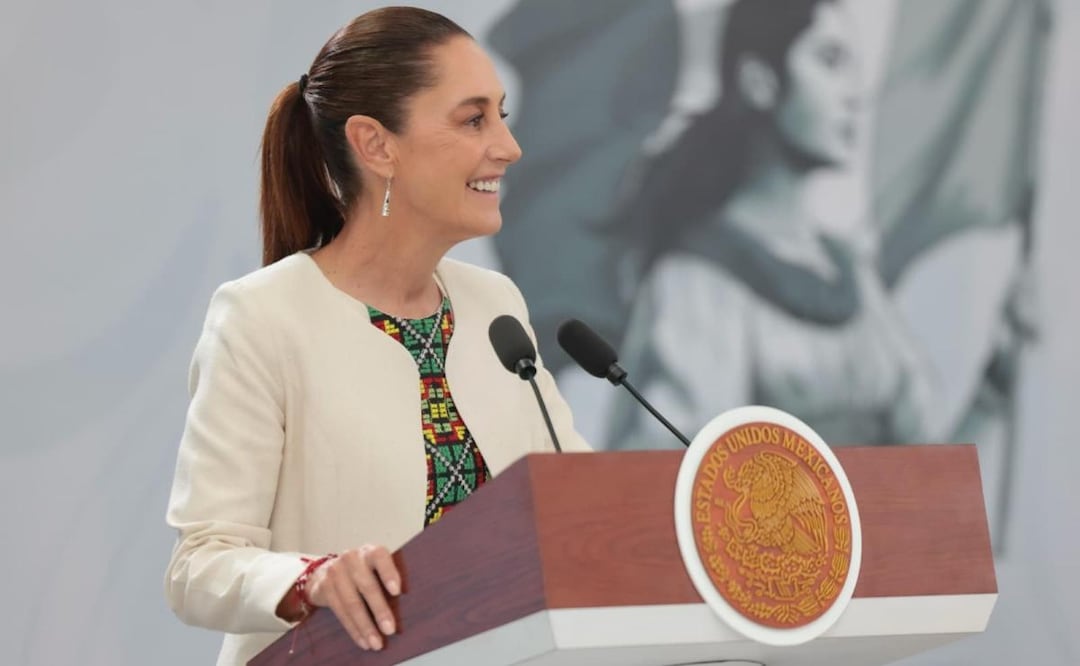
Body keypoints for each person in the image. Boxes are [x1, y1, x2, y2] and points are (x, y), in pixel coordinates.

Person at [163, 8, 590, 666]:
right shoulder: (261, 316)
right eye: (474, 118)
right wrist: (310, 578)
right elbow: (198, 567)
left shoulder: (495, 305)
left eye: (501, 114)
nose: (508, 146)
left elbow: (578, 503)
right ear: (376, 145)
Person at [604, 0, 1010, 480]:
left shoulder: (850, 275)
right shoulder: (697, 283)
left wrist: (991, 389)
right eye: (830, 61)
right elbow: (677, 485)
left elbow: (922, 481)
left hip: (872, 551)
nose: (854, 94)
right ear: (761, 81)